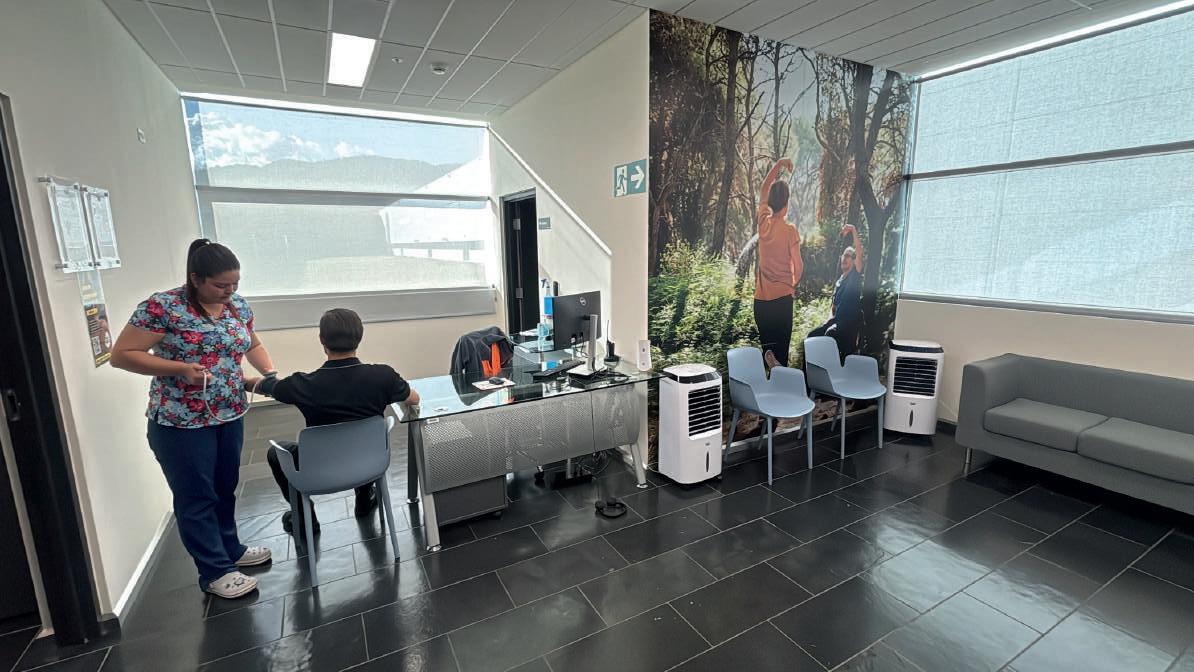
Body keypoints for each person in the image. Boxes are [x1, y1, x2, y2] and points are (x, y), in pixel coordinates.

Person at [112, 239, 277, 600]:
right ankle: (215, 570)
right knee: (196, 495)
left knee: (224, 486)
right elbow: (122, 354)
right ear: (196, 278)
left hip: (228, 412)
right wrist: (179, 368)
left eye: (235, 284)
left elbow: (252, 344)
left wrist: (270, 375)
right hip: (181, 421)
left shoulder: (235, 306)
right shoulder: (163, 307)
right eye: (220, 285)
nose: (229, 291)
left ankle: (230, 549)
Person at [252, 308, 420, 536]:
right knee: (360, 443)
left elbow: (269, 386)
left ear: (322, 340)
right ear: (360, 337)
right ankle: (364, 498)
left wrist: (242, 381)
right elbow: (413, 399)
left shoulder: (300, 384)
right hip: (370, 461)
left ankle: (304, 517)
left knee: (276, 453)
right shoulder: (383, 376)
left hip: (318, 468)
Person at [753, 158, 804, 368]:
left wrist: (779, 164)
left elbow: (764, 188)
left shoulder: (763, 223)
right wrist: (792, 286)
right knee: (781, 359)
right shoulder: (790, 230)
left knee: (770, 356)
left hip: (761, 302)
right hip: (782, 300)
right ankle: (779, 375)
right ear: (786, 203)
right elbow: (798, 266)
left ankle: (769, 358)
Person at [809, 224, 865, 358]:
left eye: (849, 256)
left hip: (849, 325)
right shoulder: (839, 281)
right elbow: (833, 308)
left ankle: (828, 368)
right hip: (836, 322)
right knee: (811, 337)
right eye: (844, 255)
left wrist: (853, 229)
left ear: (854, 261)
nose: (845, 258)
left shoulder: (855, 276)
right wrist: (828, 320)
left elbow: (859, 252)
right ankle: (809, 371)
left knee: (830, 334)